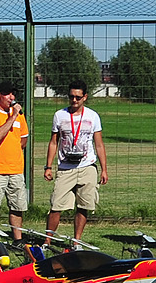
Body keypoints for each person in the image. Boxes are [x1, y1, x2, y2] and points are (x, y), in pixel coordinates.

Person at [42, 83, 107, 242]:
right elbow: (53, 142)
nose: (74, 100)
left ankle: (76, 240)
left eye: (78, 97)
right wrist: (48, 166)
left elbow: (99, 144)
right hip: (65, 167)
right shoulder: (60, 115)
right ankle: (47, 241)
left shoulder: (93, 116)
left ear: (85, 97)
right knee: (56, 205)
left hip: (87, 166)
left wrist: (104, 169)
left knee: (84, 205)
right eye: (71, 97)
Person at [0, 83, 32, 243]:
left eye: (13, 94)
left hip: (15, 169)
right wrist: (13, 116)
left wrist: (13, 151)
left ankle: (18, 239)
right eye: (8, 94)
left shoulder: (19, 116)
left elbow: (24, 138)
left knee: (17, 207)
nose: (12, 98)